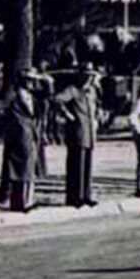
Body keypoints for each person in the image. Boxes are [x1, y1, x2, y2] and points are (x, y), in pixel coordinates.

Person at [53, 65, 101, 208]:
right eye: (86, 75)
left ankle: (86, 195)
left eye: (91, 75)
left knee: (87, 166)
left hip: (90, 133)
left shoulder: (91, 92)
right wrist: (67, 115)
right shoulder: (73, 90)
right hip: (77, 133)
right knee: (76, 166)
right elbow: (57, 99)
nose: (89, 78)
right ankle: (75, 197)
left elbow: (95, 108)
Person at [3, 70, 41, 212]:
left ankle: (27, 200)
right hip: (18, 134)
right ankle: (19, 202)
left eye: (33, 80)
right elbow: (0, 107)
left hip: (30, 134)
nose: (32, 83)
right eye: (29, 80)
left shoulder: (31, 96)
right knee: (20, 168)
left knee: (29, 167)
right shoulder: (14, 95)